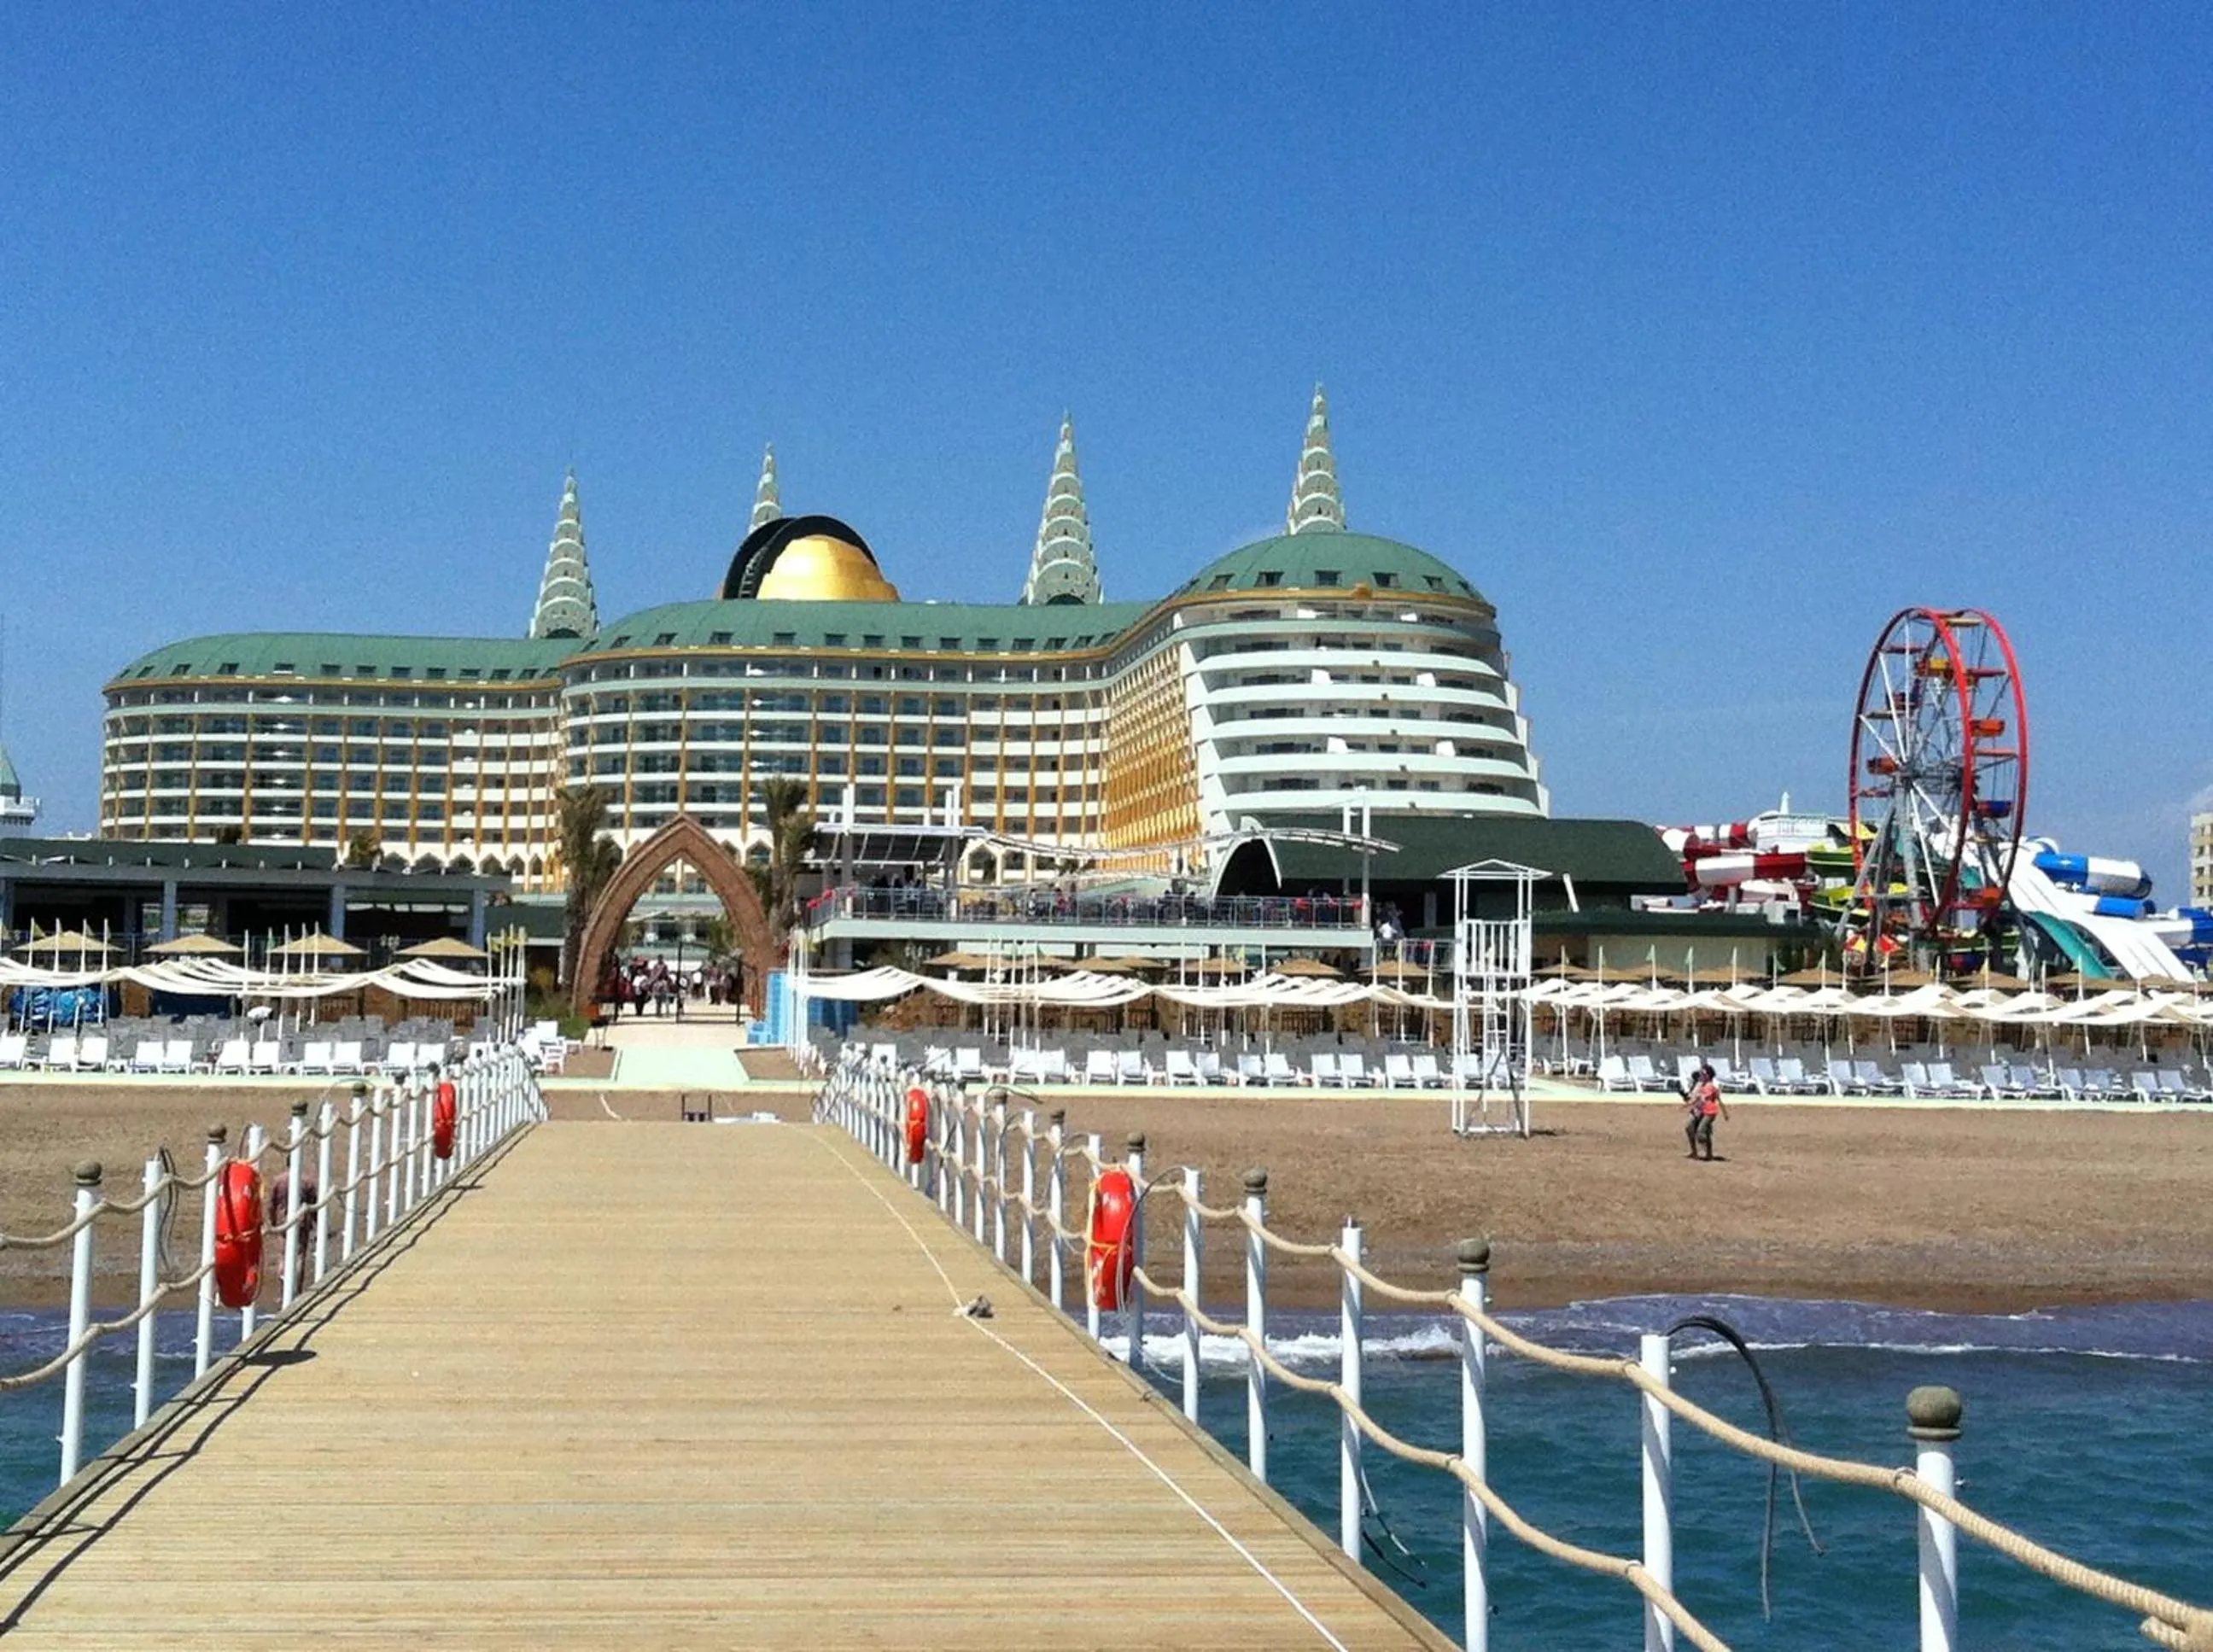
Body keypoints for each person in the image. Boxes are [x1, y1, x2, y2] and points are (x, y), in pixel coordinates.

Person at [1683, 1062, 1728, 1161]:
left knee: (1703, 1132)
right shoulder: (1698, 1083)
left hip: (1705, 1111)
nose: (1701, 1075)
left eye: (1703, 1073)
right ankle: (1695, 1152)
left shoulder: (1709, 1086)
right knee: (1689, 1127)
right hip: (1697, 1110)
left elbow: (1708, 1099)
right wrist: (1687, 1099)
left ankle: (1708, 1152)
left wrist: (1725, 1113)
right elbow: (1692, 1096)